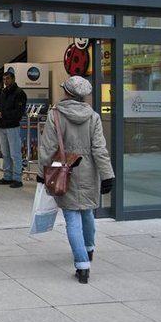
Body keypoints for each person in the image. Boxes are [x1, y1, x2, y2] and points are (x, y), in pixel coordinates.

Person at [36, 76, 114, 284]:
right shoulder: (93, 116)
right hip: (89, 170)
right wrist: (107, 175)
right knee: (87, 211)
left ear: (67, 93)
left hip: (64, 171)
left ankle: (82, 266)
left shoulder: (55, 115)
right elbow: (99, 148)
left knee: (72, 219)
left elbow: (48, 147)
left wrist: (42, 172)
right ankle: (88, 249)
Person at [0, 69, 27, 188]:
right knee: (6, 153)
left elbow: (18, 112)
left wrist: (3, 115)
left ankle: (17, 178)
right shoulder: (3, 92)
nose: (5, 81)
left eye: (7, 79)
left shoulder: (19, 93)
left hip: (12, 127)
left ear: (13, 79)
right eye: (4, 79)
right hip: (2, 126)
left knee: (15, 154)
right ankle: (7, 176)